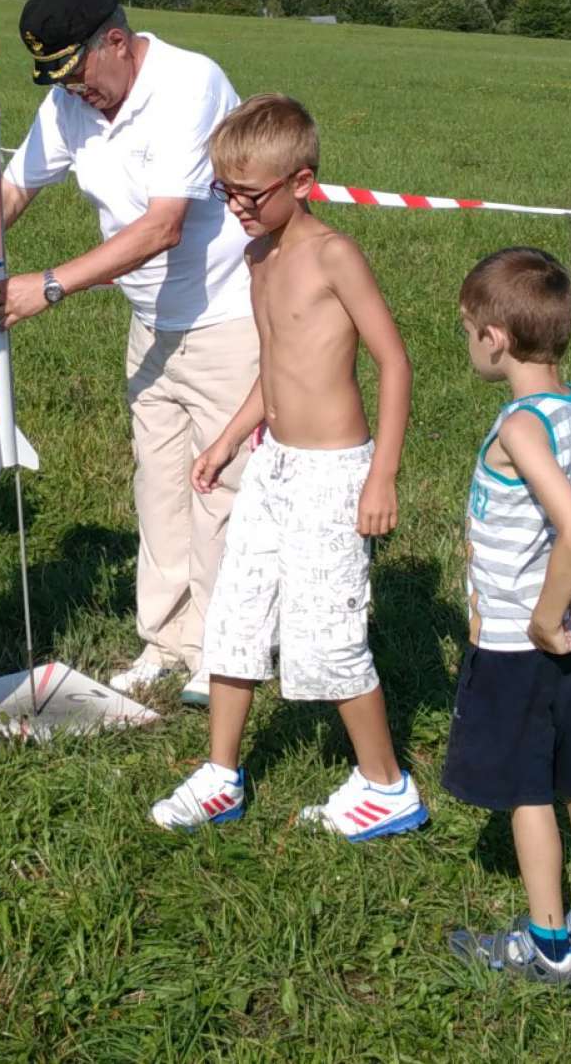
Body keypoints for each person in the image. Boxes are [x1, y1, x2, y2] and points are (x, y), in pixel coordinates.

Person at [0, 0, 258, 706]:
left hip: (226, 317)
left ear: (116, 43)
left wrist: (49, 285)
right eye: (59, 81)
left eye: (79, 73)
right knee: (159, 483)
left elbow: (163, 226)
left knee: (219, 487)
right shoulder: (72, 103)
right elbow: (17, 183)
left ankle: (221, 650)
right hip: (151, 323)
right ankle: (166, 640)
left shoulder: (188, 85)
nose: (74, 92)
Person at [150, 93, 427, 840]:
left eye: (250, 193)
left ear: (301, 182)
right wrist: (227, 440)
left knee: (327, 634)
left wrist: (382, 476)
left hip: (333, 473)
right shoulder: (257, 257)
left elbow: (394, 363)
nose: (236, 207)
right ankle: (220, 776)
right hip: (272, 466)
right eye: (225, 191)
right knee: (235, 614)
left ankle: (387, 786)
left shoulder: (334, 255)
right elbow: (274, 368)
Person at [444, 247, 571, 986]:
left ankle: (549, 945)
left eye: (468, 330)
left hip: (520, 644)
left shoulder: (521, 428)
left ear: (495, 338)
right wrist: (570, 610)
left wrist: (544, 618)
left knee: (527, 793)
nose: (468, 342)